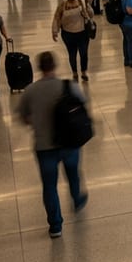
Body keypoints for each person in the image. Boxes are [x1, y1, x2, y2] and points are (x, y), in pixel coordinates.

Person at [16, 52, 89, 238]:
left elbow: (23, 117)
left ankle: (55, 225)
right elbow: (83, 105)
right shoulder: (68, 86)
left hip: (44, 145)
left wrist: (37, 123)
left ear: (39, 68)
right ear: (55, 66)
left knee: (49, 186)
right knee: (73, 173)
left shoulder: (30, 90)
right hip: (69, 142)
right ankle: (76, 198)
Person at [52, 0, 94, 82]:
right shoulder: (62, 6)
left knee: (84, 53)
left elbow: (91, 15)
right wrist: (55, 31)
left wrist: (87, 8)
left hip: (82, 33)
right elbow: (56, 18)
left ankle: (84, 72)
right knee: (72, 54)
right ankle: (74, 73)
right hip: (68, 34)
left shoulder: (81, 3)